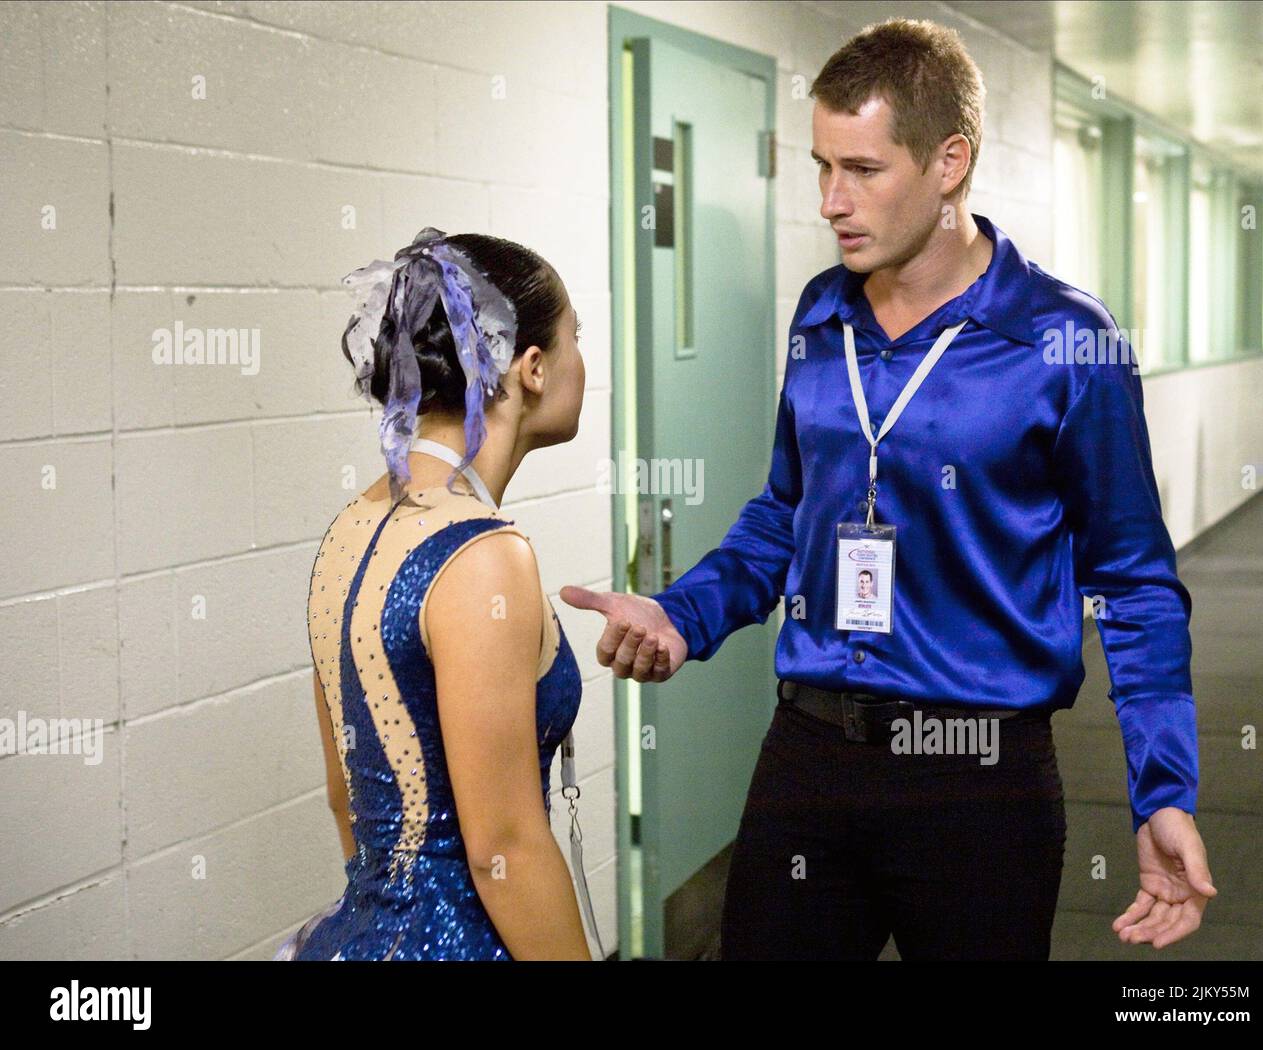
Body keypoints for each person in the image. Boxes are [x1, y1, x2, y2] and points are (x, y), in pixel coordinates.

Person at [561, 18, 1215, 959]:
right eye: (821, 166)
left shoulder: (1067, 342)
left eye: (862, 170)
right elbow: (783, 515)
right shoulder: (820, 315)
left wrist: (1165, 788)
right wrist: (684, 615)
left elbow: (1136, 582)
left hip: (979, 777)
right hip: (811, 758)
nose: (832, 200)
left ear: (951, 161)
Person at [277, 228, 593, 960]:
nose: (585, 360)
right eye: (578, 336)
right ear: (534, 367)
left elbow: (345, 795)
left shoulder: (350, 527)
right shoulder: (486, 555)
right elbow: (502, 850)